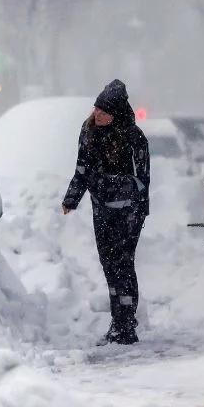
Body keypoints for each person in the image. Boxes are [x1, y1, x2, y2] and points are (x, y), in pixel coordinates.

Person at [62, 79, 151, 345]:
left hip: (129, 212)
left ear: (116, 114)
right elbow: (82, 169)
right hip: (101, 208)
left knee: (123, 264)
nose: (97, 114)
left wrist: (140, 209)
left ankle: (126, 325)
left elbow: (143, 180)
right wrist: (72, 198)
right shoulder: (88, 131)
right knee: (109, 264)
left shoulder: (134, 138)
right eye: (96, 108)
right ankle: (118, 320)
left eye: (104, 111)